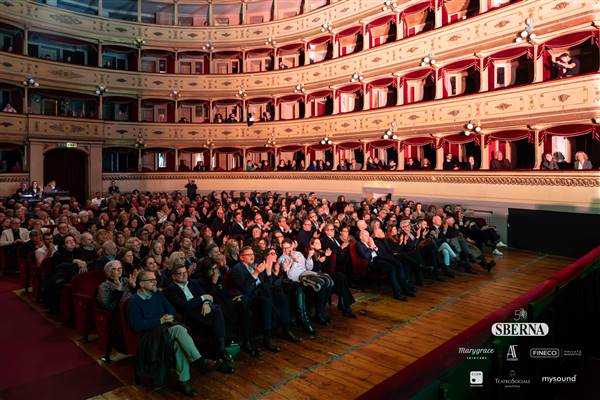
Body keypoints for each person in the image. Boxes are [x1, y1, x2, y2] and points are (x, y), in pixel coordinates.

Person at [127, 270, 222, 396]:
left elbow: (171, 309)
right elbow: (137, 325)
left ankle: (183, 382)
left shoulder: (157, 295)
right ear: (142, 284)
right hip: (150, 335)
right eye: (151, 280)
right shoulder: (134, 301)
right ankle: (200, 363)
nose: (155, 282)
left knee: (178, 342)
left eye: (155, 279)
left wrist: (169, 316)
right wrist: (159, 320)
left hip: (166, 328)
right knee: (179, 329)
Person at [163, 265, 235, 372]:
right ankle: (221, 351)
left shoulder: (192, 283)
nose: (184, 275)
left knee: (217, 311)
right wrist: (202, 299)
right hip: (188, 316)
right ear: (174, 276)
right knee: (217, 314)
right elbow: (184, 306)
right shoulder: (170, 290)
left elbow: (208, 296)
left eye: (185, 272)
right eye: (180, 273)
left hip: (202, 311)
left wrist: (206, 303)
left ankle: (219, 354)